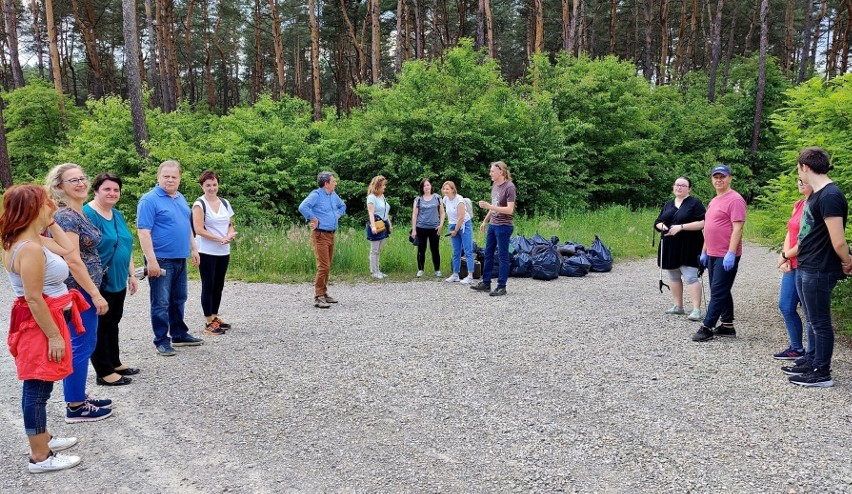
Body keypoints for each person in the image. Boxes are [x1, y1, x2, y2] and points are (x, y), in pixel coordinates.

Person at [1, 185, 85, 472]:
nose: (53, 205)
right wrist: (54, 336)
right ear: (33, 209)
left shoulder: (27, 239)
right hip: (39, 325)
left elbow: (67, 249)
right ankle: (39, 456)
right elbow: (34, 297)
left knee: (42, 385)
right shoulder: (31, 248)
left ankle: (44, 438)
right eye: (47, 203)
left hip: (44, 319)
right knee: (37, 388)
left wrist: (49, 223)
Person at [46, 163, 115, 421]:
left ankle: (78, 395)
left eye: (82, 178)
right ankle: (75, 405)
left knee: (85, 343)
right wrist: (94, 295)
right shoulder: (65, 217)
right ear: (59, 187)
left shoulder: (79, 213)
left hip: (86, 289)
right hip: (78, 292)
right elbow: (73, 260)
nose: (80, 183)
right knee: (81, 345)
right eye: (72, 180)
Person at [781, 147, 852, 387]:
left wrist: (847, 260)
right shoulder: (816, 194)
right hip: (807, 265)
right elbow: (806, 233)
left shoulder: (831, 195)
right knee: (811, 318)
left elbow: (838, 240)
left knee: (820, 322)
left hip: (820, 268)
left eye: (798, 168)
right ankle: (811, 359)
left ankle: (822, 372)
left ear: (805, 167)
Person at [137, 160, 204, 356]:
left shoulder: (180, 198)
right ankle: (161, 340)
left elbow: (187, 226)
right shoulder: (149, 200)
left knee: (179, 298)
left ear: (180, 179)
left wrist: (194, 249)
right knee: (161, 302)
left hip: (180, 258)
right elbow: (143, 232)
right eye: (166, 176)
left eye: (174, 177)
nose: (170, 180)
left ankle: (179, 334)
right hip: (161, 259)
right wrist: (151, 260)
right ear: (158, 177)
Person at [83, 173, 140, 384]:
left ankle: (115, 362)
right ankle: (104, 372)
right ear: (96, 190)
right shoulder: (88, 214)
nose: (112, 193)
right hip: (99, 280)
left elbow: (126, 244)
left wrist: (132, 274)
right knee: (100, 325)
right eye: (107, 189)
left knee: (113, 322)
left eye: (116, 190)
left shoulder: (117, 214)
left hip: (118, 278)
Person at [691, 164, 746, 342]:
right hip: (713, 253)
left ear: (730, 178)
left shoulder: (735, 200)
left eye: (722, 176)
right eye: (716, 177)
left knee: (718, 291)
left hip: (726, 254)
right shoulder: (714, 200)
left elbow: (737, 228)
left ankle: (707, 326)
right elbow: (709, 228)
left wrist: (731, 252)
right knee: (720, 289)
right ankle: (727, 326)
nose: (719, 180)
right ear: (712, 179)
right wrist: (704, 252)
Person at [654, 177, 706, 321]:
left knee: (690, 276)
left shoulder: (695, 203)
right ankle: (678, 306)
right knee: (673, 275)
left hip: (690, 245)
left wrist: (681, 227)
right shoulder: (668, 204)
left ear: (689, 188)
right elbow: (658, 222)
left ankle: (696, 309)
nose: (679, 188)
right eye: (677, 185)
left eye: (683, 185)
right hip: (670, 245)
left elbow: (703, 222)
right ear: (673, 187)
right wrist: (663, 227)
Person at [771, 178, 812, 360]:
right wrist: (785, 255)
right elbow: (791, 232)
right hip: (792, 263)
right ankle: (796, 348)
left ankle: (812, 355)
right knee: (786, 306)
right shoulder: (799, 203)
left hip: (807, 264)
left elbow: (808, 240)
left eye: (805, 180)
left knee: (811, 313)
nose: (801, 183)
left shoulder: (816, 205)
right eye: (798, 180)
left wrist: (786, 255)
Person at [192, 170, 236, 335]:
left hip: (223, 250)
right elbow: (198, 229)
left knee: (219, 284)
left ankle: (215, 317)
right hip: (206, 250)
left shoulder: (224, 202)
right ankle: (208, 321)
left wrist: (230, 234)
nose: (211, 188)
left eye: (214, 184)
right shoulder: (199, 204)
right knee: (208, 284)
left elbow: (229, 224)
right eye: (208, 185)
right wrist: (219, 238)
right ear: (202, 186)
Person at [299, 171, 346, 308]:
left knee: (328, 265)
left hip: (331, 234)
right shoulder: (316, 195)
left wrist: (337, 215)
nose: (335, 183)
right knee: (323, 266)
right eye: (333, 181)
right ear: (326, 184)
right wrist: (312, 218)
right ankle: (318, 296)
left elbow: (343, 206)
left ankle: (324, 293)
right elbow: (303, 207)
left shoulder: (333, 195)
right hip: (320, 235)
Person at [471, 161, 516, 296]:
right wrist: (485, 220)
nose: (490, 173)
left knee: (503, 256)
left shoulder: (509, 187)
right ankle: (486, 283)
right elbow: (494, 205)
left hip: (504, 226)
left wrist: (489, 206)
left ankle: (502, 286)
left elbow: (509, 210)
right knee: (488, 254)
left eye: (492, 171)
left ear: (501, 172)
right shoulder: (495, 185)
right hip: (493, 225)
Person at [441, 181, 475, 284]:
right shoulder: (445, 199)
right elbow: (449, 213)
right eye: (444, 189)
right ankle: (455, 274)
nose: (445, 191)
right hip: (453, 224)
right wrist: (451, 226)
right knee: (456, 251)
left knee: (468, 250)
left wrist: (456, 230)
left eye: (447, 189)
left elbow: (461, 217)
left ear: (453, 189)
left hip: (464, 225)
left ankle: (470, 276)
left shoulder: (459, 200)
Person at [410, 178, 445, 278]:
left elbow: (442, 213)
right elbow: (414, 215)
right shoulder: (418, 199)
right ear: (422, 188)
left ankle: (437, 270)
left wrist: (441, 225)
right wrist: (414, 229)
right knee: (421, 250)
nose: (426, 187)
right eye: (424, 186)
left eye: (428, 185)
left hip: (435, 228)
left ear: (431, 186)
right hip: (421, 227)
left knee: (435, 249)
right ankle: (420, 269)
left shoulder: (438, 197)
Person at [366, 175, 392, 279]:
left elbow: (385, 211)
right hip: (376, 224)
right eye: (383, 185)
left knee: (379, 249)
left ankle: (378, 270)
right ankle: (374, 271)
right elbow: (371, 213)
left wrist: (389, 224)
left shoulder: (382, 196)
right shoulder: (371, 197)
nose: (384, 187)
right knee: (374, 250)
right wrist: (373, 227)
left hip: (383, 224)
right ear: (377, 186)